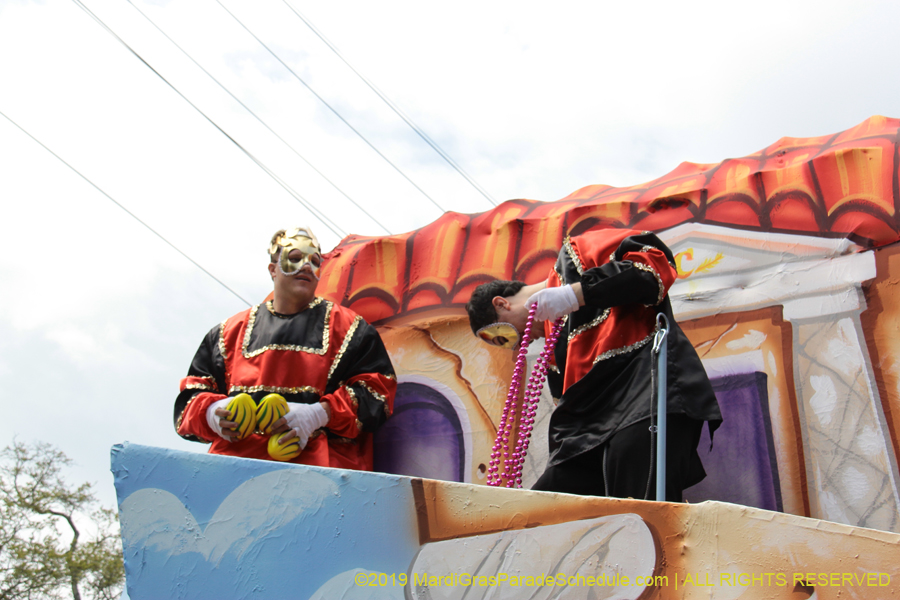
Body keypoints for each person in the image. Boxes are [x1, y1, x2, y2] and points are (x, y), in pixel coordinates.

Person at [466, 228, 721, 501]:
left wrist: (576, 294)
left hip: (642, 395)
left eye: (502, 337)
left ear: (502, 304)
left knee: (642, 510)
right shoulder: (552, 350)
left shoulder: (576, 253)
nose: (516, 346)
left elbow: (654, 268)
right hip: (588, 435)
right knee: (539, 510)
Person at [174, 227, 396, 471]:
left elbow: (378, 395)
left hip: (323, 478)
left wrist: (318, 414)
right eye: (294, 258)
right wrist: (213, 413)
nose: (306, 266)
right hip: (231, 477)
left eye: (314, 261)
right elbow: (187, 404)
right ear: (273, 269)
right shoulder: (226, 334)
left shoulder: (351, 329)